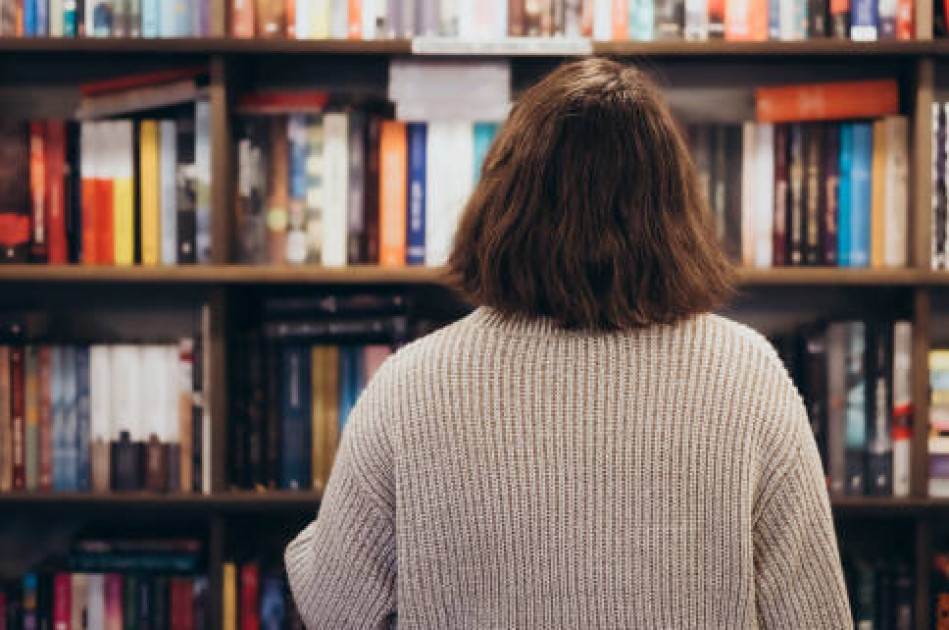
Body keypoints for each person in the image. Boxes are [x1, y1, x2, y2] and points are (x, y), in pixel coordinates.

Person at [285, 57, 853, 629]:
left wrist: (321, 543)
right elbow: (814, 616)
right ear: (676, 209)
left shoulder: (411, 383)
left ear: (502, 202)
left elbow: (336, 609)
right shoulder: (746, 375)